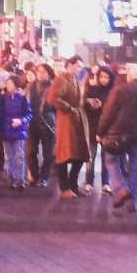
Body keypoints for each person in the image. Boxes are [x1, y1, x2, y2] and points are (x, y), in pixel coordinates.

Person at [97, 64, 137, 213]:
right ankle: (132, 202)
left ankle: (121, 188)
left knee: (111, 160)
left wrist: (100, 132)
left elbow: (108, 113)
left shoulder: (118, 90)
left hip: (118, 134)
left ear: (129, 76)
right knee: (136, 168)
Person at [49, 58, 89, 198]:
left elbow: (77, 99)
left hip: (77, 120)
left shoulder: (75, 80)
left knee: (81, 153)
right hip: (66, 121)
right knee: (64, 153)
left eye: (81, 67)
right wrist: (68, 108)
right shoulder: (61, 79)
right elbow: (52, 98)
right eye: (78, 66)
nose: (80, 69)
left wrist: (87, 102)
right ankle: (64, 187)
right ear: (70, 65)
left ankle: (73, 184)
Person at [0, 74, 32, 190]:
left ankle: (21, 180)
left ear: (16, 86)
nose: (8, 85)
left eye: (10, 84)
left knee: (18, 156)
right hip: (6, 131)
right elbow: (0, 115)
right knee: (8, 157)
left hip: (19, 132)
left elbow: (29, 114)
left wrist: (21, 121)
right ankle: (11, 179)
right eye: (7, 84)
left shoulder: (23, 99)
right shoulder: (3, 99)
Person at [82, 65, 115, 194]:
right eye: (101, 76)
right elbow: (85, 106)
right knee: (90, 156)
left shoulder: (113, 91)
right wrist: (92, 106)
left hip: (107, 128)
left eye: (106, 77)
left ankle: (106, 183)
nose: (104, 79)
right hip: (93, 127)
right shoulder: (91, 90)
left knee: (106, 158)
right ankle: (89, 181)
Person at [26, 62, 56, 186]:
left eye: (44, 72)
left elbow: (56, 106)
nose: (41, 74)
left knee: (48, 152)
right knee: (31, 151)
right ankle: (34, 174)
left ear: (49, 73)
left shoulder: (53, 86)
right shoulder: (30, 86)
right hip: (32, 121)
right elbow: (26, 103)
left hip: (47, 122)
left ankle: (44, 176)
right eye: (39, 71)